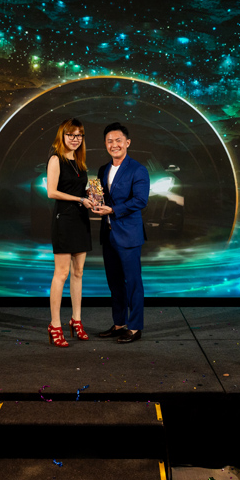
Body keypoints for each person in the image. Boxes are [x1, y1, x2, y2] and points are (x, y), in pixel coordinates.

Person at [92, 122, 150, 344]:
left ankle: (135, 328)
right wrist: (93, 202)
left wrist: (113, 210)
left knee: (133, 283)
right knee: (114, 283)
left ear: (127, 143)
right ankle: (119, 324)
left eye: (118, 140)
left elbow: (141, 200)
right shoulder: (103, 169)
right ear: (105, 144)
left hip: (129, 235)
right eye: (109, 141)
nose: (114, 144)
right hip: (108, 234)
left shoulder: (138, 169)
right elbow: (101, 197)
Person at [45, 118, 94, 347]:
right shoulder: (56, 159)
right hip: (64, 219)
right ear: (62, 135)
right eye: (71, 135)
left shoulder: (80, 161)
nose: (75, 139)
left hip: (81, 220)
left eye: (79, 135)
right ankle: (55, 325)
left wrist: (91, 196)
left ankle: (76, 320)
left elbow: (81, 189)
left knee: (78, 272)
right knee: (62, 273)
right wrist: (80, 199)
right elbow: (51, 192)